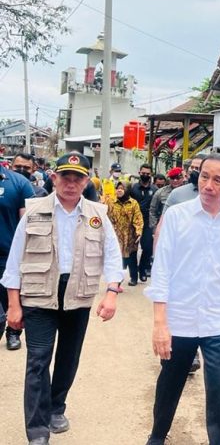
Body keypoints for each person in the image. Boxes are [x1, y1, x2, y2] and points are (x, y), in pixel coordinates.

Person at [1, 151, 123, 445]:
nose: (71, 183)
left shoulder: (98, 215)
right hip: (39, 295)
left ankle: (57, 407)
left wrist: (111, 293)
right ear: (54, 178)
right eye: (65, 177)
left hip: (77, 295)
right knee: (38, 360)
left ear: (86, 181)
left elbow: (113, 256)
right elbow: (15, 261)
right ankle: (38, 429)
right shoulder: (33, 211)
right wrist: (14, 306)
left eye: (77, 177)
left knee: (68, 358)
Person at [144, 154, 220, 445]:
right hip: (179, 319)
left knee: (219, 388)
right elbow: (162, 271)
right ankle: (157, 436)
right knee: (170, 383)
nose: (208, 185)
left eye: (218, 180)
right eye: (205, 176)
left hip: (218, 319)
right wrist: (159, 324)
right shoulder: (177, 216)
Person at [0, 162, 35, 351]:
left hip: (7, 257)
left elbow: (28, 224)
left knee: (10, 302)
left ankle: (13, 332)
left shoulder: (18, 183)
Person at [106, 181, 144, 286]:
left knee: (131, 259)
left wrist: (138, 231)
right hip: (116, 235)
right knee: (118, 259)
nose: (119, 190)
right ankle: (117, 280)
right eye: (118, 188)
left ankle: (133, 278)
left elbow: (138, 218)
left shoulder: (133, 203)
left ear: (127, 190)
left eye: (122, 188)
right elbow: (106, 217)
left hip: (130, 235)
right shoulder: (111, 202)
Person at [129, 163, 157, 282]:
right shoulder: (132, 188)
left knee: (147, 247)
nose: (145, 175)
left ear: (151, 175)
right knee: (132, 250)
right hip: (133, 223)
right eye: (143, 173)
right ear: (139, 173)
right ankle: (133, 276)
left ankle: (143, 269)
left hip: (147, 223)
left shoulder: (155, 190)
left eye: (148, 174)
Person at [149, 167, 184, 233]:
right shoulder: (160, 193)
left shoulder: (188, 191)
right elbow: (152, 211)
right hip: (165, 229)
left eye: (178, 178)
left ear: (183, 178)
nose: (175, 180)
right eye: (172, 178)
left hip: (183, 229)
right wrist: (155, 230)